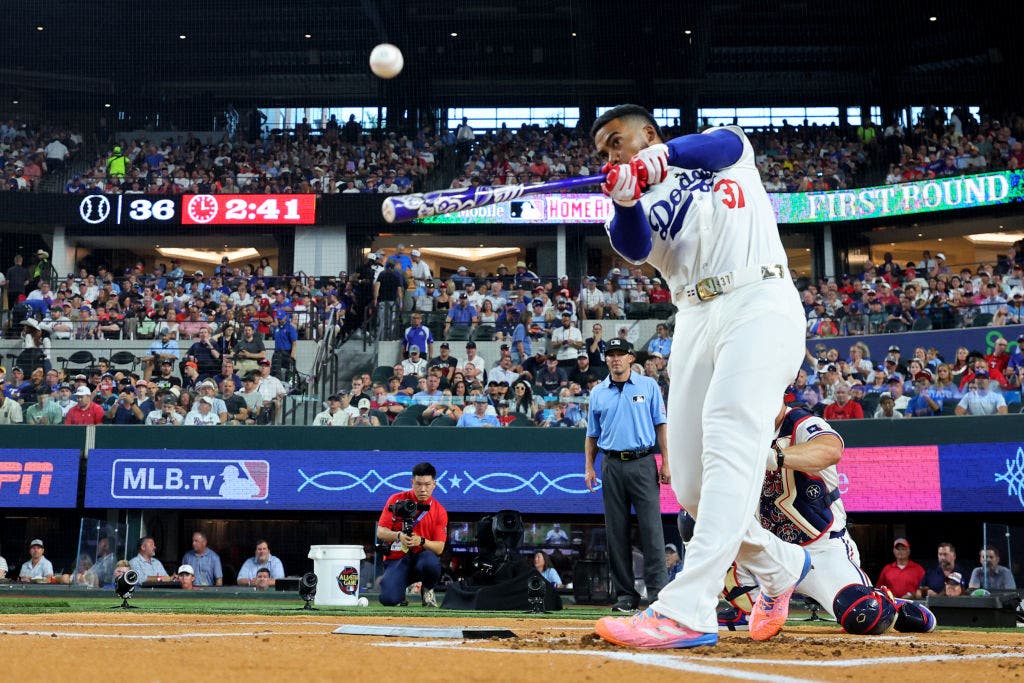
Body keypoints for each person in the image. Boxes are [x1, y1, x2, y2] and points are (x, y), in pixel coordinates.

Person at [590, 105, 810, 649]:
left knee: (730, 423)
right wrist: (625, 197)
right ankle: (780, 566)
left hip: (759, 296)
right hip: (693, 315)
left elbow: (723, 145)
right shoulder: (628, 201)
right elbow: (636, 247)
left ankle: (689, 607)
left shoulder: (725, 154)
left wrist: (655, 162)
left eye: (618, 141)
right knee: (690, 484)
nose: (611, 154)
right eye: (602, 151)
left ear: (649, 134)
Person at [717, 404, 936, 635]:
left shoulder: (801, 423)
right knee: (697, 517)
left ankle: (886, 603)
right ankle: (749, 608)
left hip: (820, 551)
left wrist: (773, 457)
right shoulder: (739, 430)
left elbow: (830, 450)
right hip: (771, 551)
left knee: (864, 614)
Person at [585, 338, 669, 614]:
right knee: (615, 532)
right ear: (606, 360)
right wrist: (589, 467)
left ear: (631, 358)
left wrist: (666, 462)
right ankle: (625, 595)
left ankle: (658, 594)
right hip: (611, 464)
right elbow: (591, 435)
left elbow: (661, 425)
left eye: (621, 354)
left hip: (643, 461)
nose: (616, 359)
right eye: (611, 355)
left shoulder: (648, 386)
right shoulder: (598, 392)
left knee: (652, 530)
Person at [376, 462, 448, 607]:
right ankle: (397, 589)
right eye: (418, 484)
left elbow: (439, 548)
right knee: (388, 600)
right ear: (412, 482)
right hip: (397, 559)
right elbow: (381, 532)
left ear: (434, 484)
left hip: (422, 559)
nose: (423, 489)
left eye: (427, 484)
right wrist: (399, 536)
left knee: (431, 562)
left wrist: (421, 541)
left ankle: (427, 589)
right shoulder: (396, 500)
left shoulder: (439, 510)